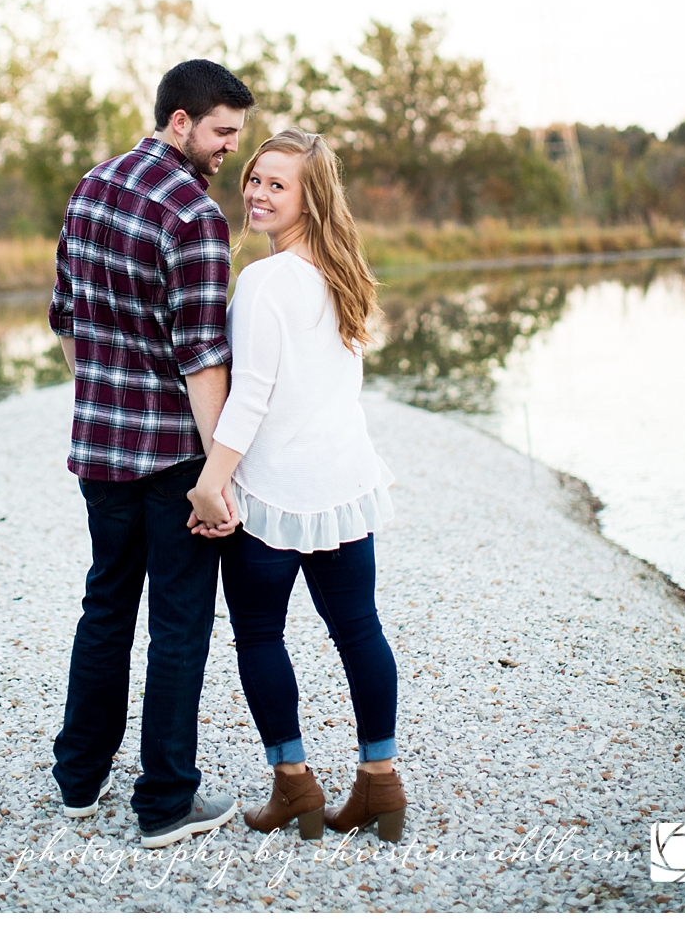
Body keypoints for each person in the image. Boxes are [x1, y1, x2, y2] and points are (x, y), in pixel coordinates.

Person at [46, 58, 255, 849]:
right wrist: (217, 477)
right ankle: (166, 800)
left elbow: (67, 320)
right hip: (172, 460)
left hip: (98, 451)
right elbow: (203, 358)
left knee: (105, 607)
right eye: (223, 132)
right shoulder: (195, 217)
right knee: (177, 623)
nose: (232, 148)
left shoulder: (92, 186)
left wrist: (105, 397)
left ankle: (78, 780)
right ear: (180, 123)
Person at [190, 129, 406, 842]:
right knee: (360, 633)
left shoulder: (263, 280)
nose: (256, 193)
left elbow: (250, 395)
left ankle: (294, 786)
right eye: (254, 179)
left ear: (309, 196)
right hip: (343, 486)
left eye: (276, 184)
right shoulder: (345, 272)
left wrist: (209, 485)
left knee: (259, 635)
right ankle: (380, 782)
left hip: (275, 496)